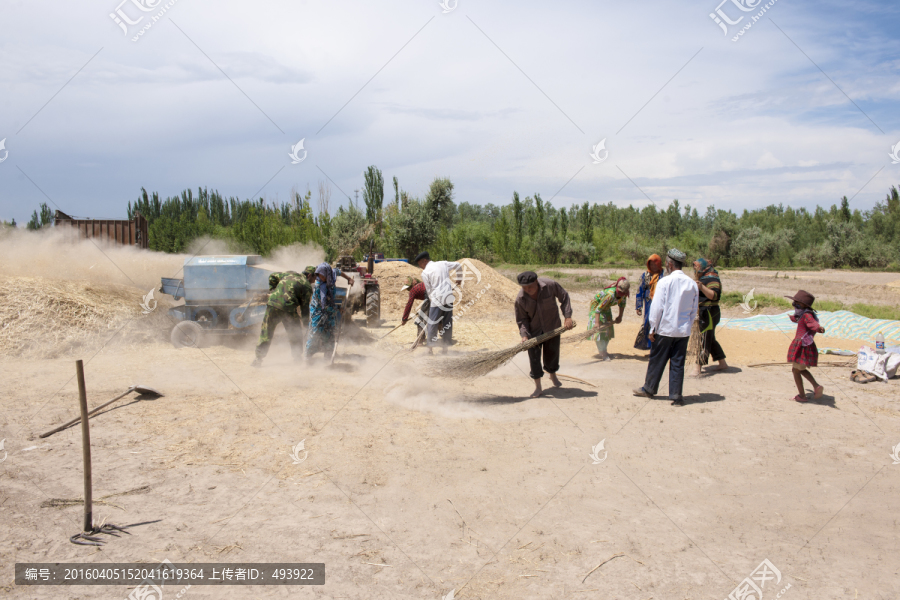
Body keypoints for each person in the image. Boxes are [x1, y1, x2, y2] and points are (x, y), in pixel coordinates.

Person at [632, 248, 698, 406]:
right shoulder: (692, 284)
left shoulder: (664, 282)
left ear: (669, 264)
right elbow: (694, 310)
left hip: (665, 329)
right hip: (682, 331)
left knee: (656, 359)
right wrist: (686, 326)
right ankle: (676, 396)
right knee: (677, 363)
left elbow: (657, 308)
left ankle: (649, 389)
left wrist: (652, 328)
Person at [514, 271, 574, 398]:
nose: (527, 290)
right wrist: (524, 336)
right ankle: (538, 387)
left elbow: (564, 296)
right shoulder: (520, 299)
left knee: (552, 354)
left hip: (552, 327)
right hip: (533, 333)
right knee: (534, 359)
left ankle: (553, 376)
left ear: (536, 281)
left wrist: (567, 317)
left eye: (530, 286)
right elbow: (522, 320)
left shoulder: (550, 285)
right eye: (524, 287)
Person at [252, 269, 313, 366]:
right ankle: (297, 358)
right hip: (288, 309)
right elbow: (304, 308)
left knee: (266, 332)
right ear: (309, 275)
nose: (314, 281)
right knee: (295, 333)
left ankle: (258, 359)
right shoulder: (306, 285)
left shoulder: (289, 273)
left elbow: (272, 276)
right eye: (314, 278)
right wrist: (306, 324)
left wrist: (274, 290)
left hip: (272, 305)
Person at [415, 251, 462, 353]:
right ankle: (445, 348)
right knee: (447, 322)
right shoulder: (443, 263)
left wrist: (432, 301)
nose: (420, 267)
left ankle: (430, 349)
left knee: (432, 323)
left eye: (420, 264)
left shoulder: (425, 272)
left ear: (425, 260)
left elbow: (429, 290)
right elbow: (458, 265)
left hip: (437, 299)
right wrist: (460, 278)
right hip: (448, 297)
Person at [305, 262, 354, 358]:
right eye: (319, 276)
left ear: (327, 273)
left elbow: (339, 272)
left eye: (322, 276)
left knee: (330, 334)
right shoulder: (319, 287)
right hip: (318, 312)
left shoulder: (332, 273)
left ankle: (328, 357)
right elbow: (325, 306)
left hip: (330, 311)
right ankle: (307, 357)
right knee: (315, 334)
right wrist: (337, 309)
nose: (321, 278)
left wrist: (349, 279)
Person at [689, 257, 728, 376]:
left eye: (697, 266)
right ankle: (722, 363)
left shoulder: (712, 278)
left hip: (709, 312)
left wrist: (701, 287)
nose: (695, 269)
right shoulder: (703, 278)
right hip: (704, 312)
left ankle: (697, 367)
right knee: (710, 338)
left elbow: (714, 295)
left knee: (704, 339)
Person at [786, 290, 826, 402]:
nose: (795, 305)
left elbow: (812, 323)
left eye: (797, 304)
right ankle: (816, 386)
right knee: (799, 369)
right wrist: (793, 318)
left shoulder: (807, 315)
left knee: (795, 370)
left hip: (802, 345)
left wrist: (818, 328)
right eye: (794, 303)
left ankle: (802, 396)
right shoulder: (802, 314)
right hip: (803, 344)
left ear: (804, 305)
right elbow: (800, 320)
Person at [588, 277, 630, 361]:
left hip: (606, 308)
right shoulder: (610, 294)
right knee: (599, 332)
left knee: (608, 330)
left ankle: (604, 351)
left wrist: (620, 316)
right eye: (620, 292)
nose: (621, 294)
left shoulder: (623, 295)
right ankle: (602, 352)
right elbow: (598, 309)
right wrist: (596, 323)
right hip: (596, 308)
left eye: (623, 293)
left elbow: (622, 305)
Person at [634, 254, 664, 350]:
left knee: (659, 323)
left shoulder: (663, 275)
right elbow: (640, 290)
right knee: (648, 322)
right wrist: (638, 306)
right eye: (651, 264)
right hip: (648, 303)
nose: (653, 267)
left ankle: (658, 346)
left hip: (660, 301)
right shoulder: (645, 275)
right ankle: (649, 345)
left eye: (655, 264)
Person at [400, 276, 430, 348]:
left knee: (420, 321)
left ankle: (419, 342)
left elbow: (409, 305)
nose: (408, 290)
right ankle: (446, 340)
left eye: (408, 288)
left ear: (412, 285)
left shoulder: (413, 290)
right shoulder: (422, 285)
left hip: (430, 296)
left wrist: (404, 319)